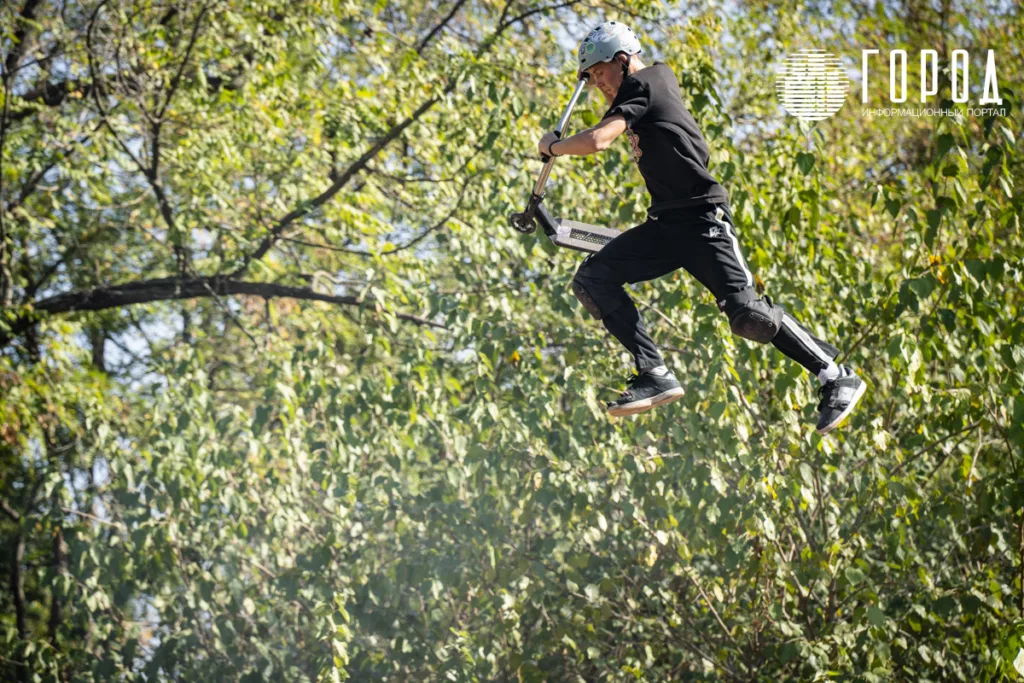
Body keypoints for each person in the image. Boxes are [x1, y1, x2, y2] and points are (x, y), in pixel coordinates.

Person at [535, 21, 866, 434]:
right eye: (592, 80)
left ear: (622, 60)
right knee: (593, 278)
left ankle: (835, 374)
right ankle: (653, 373)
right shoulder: (636, 94)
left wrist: (552, 146)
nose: (599, 85)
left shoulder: (646, 82)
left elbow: (599, 140)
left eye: (600, 74)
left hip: (702, 218)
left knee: (748, 314)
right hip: (666, 225)